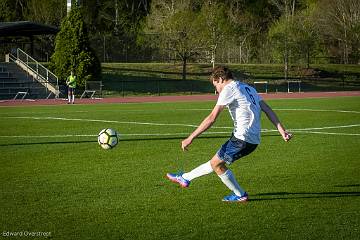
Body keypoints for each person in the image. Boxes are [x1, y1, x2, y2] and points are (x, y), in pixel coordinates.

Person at [166, 66, 292, 202]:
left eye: (216, 85)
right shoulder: (248, 88)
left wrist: (190, 138)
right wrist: (281, 130)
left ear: (220, 79)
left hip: (243, 138)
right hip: (251, 139)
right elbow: (267, 109)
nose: (216, 90)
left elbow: (211, 118)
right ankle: (185, 178)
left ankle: (240, 195)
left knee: (217, 165)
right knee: (216, 161)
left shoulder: (229, 89)